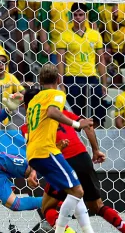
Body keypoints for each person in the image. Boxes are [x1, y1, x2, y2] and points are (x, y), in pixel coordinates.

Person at [22, 88, 125, 233]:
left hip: (61, 161)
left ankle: (68, 231)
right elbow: (87, 126)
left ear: (26, 107)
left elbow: (37, 149)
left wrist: (33, 172)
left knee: (48, 207)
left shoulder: (29, 126)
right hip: (82, 158)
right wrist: (95, 150)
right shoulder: (64, 114)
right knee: (97, 206)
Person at [24, 64, 94, 233]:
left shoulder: (34, 100)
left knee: (74, 192)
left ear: (40, 81)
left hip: (34, 153)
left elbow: (33, 129)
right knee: (77, 191)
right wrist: (77, 124)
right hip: (47, 151)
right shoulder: (57, 94)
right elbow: (53, 112)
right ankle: (60, 231)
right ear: (58, 79)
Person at [57, 3, 106, 127]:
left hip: (91, 76)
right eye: (75, 15)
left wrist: (104, 83)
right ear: (71, 17)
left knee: (97, 114)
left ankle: (95, 138)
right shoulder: (64, 35)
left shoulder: (95, 35)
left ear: (86, 16)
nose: (78, 17)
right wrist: (61, 83)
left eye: (81, 14)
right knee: (75, 114)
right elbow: (60, 61)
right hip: (72, 77)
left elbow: (101, 59)